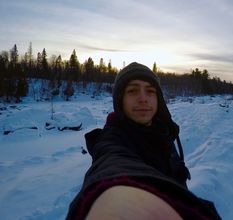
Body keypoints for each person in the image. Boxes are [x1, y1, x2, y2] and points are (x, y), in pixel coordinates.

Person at [67, 62, 221, 220]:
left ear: (158, 99)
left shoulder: (163, 132)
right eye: (133, 91)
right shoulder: (112, 138)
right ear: (120, 99)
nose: (143, 98)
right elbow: (112, 163)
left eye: (150, 91)